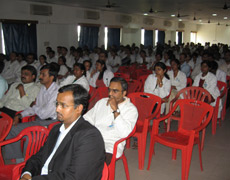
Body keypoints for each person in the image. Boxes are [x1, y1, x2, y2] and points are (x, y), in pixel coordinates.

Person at [20, 84, 105, 180]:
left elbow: (75, 177)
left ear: (78, 108)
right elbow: (39, 157)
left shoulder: (90, 136)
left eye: (63, 105)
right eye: (57, 104)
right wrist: (27, 173)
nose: (57, 109)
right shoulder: (56, 129)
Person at [3, 64, 60, 161]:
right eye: (40, 74)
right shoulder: (43, 88)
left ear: (51, 77)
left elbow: (44, 113)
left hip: (51, 123)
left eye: (43, 75)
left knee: (31, 137)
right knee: (12, 129)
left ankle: (27, 164)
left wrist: (34, 105)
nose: (40, 77)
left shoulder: (56, 92)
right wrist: (20, 115)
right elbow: (34, 109)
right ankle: (16, 159)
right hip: (39, 120)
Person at [84, 77, 138, 165]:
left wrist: (115, 110)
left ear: (124, 93)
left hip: (110, 146)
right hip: (93, 139)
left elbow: (124, 133)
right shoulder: (102, 102)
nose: (110, 94)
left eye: (115, 91)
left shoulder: (131, 109)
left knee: (91, 166)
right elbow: (87, 118)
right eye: (109, 90)